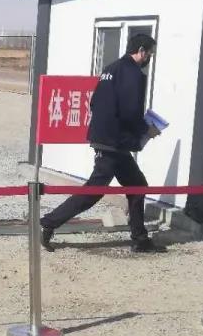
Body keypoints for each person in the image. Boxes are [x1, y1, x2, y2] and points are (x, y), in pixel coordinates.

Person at [40, 33, 165, 254]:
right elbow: (131, 111)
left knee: (137, 186)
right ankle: (49, 222)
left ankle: (140, 239)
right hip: (113, 143)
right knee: (94, 191)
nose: (150, 58)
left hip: (107, 139)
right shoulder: (133, 74)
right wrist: (147, 129)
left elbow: (94, 102)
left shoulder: (110, 69)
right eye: (150, 54)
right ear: (141, 51)